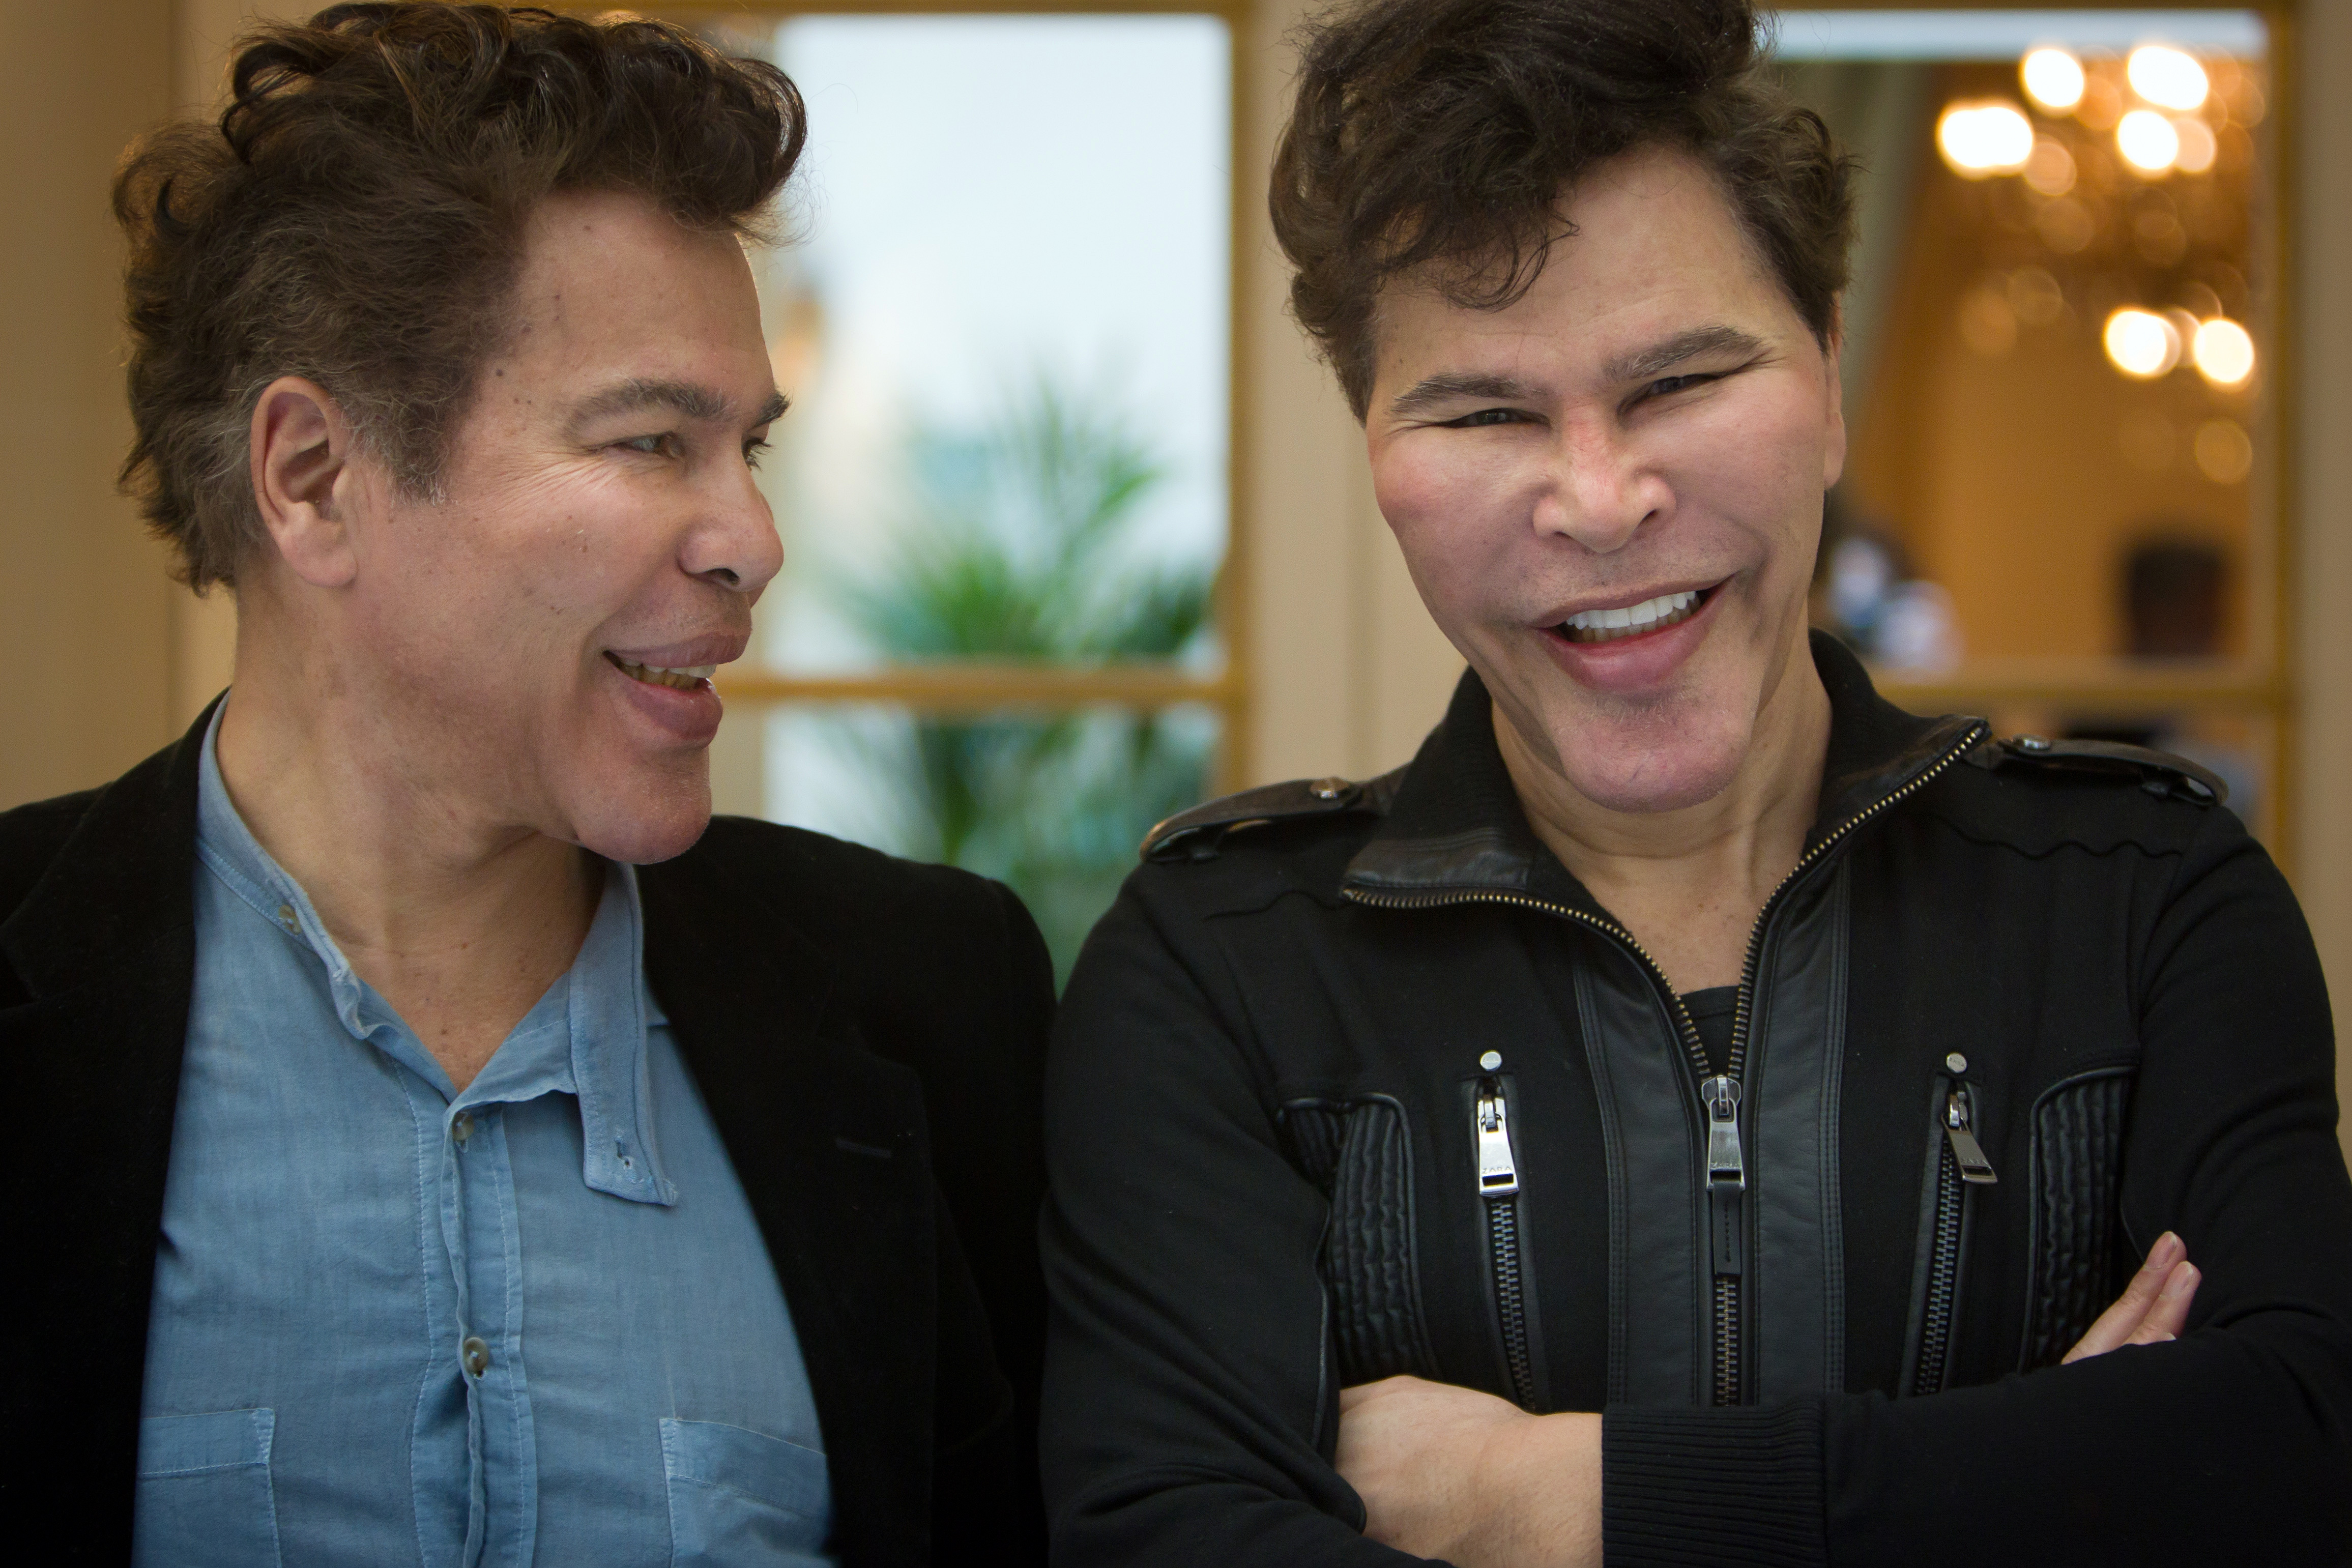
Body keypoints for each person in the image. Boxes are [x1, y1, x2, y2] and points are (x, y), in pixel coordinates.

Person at [1037, 1, 2352, 1563]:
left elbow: (2303, 1458)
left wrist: (1550, 1498)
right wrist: (2029, 1488)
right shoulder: (1221, 968)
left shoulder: (2144, 902)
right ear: (1373, 443)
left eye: (1678, 383)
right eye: (1483, 411)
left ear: (1832, 372)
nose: (1600, 500)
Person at [0, 7, 1051, 1563]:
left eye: (748, 447)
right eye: (647, 441)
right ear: (311, 479)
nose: (751, 539)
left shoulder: (937, 1003)